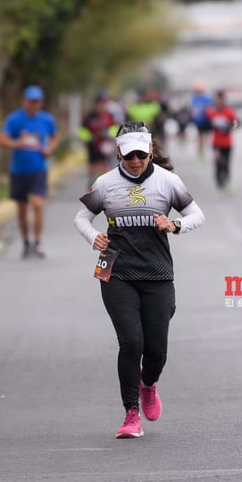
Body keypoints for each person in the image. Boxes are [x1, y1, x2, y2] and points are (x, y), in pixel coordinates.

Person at [73, 121, 205, 439]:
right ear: (118, 152)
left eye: (141, 155)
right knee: (132, 342)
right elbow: (81, 217)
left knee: (156, 351)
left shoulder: (167, 181)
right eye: (129, 155)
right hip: (115, 270)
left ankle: (148, 385)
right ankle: (131, 413)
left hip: (158, 272)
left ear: (149, 152)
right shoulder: (105, 183)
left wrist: (174, 226)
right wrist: (94, 237)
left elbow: (196, 214)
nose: (135, 161)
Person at [0, 85, 59, 259]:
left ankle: (38, 242)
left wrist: (49, 149)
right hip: (19, 170)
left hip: (39, 169)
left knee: (38, 204)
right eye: (31, 101)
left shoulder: (47, 119)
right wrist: (17, 143)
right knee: (22, 209)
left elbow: (54, 137)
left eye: (37, 101)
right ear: (25, 101)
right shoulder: (15, 119)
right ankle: (26, 242)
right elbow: (2, 139)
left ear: (41, 102)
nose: (33, 104)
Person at [77, 90, 117, 185]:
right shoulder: (90, 117)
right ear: (96, 103)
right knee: (93, 170)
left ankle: (103, 190)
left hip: (105, 147)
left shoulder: (109, 116)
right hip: (93, 147)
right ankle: (92, 190)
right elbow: (81, 131)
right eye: (100, 103)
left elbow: (115, 129)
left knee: (104, 170)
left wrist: (108, 133)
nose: (102, 105)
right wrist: (89, 137)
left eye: (104, 103)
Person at [204, 89, 238, 192]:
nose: (219, 101)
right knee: (218, 164)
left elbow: (236, 123)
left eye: (220, 99)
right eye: (217, 99)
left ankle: (227, 183)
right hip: (216, 144)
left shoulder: (229, 111)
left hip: (227, 143)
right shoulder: (211, 112)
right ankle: (219, 185)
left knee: (226, 164)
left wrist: (229, 127)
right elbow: (204, 124)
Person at [190, 81, 213, 161]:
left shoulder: (204, 98)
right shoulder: (196, 98)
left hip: (206, 120)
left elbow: (209, 109)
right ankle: (201, 154)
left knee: (205, 138)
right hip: (201, 121)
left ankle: (203, 153)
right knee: (201, 139)